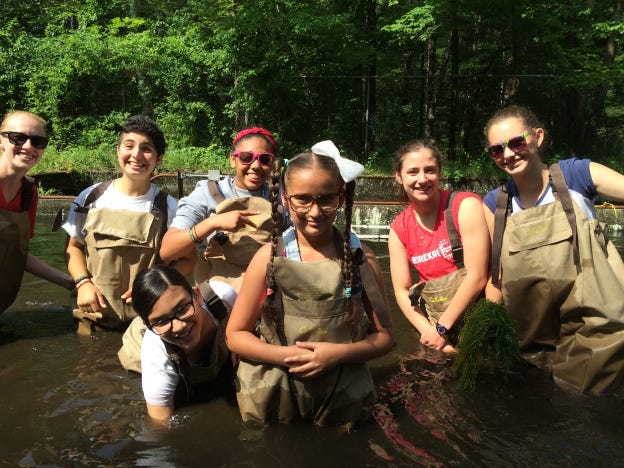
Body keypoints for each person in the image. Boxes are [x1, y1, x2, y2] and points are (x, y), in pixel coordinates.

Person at [226, 141, 394, 428]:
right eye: (302, 199)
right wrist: (286, 355)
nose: (315, 212)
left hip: (341, 394)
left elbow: (385, 337)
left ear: (341, 197)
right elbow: (235, 335)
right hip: (276, 390)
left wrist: (337, 354)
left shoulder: (360, 259)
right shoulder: (267, 259)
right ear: (284, 197)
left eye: (326, 199)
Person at [482, 105, 624, 394]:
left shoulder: (577, 175)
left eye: (516, 142)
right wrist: (490, 326)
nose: (508, 154)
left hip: (594, 329)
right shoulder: (494, 203)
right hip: (531, 340)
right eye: (497, 150)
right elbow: (494, 275)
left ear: (538, 137)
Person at [62, 115, 179, 336]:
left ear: (158, 158)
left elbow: (186, 260)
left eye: (146, 149)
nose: (136, 155)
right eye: (129, 146)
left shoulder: (169, 207)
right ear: (118, 151)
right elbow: (73, 247)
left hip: (146, 321)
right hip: (93, 316)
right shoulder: (89, 198)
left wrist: (159, 290)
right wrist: (83, 283)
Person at [388, 139, 490, 353]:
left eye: (430, 170)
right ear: (399, 176)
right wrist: (429, 333)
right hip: (435, 329)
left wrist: (443, 329)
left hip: (477, 322)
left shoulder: (465, 206)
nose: (422, 179)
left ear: (440, 172)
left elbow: (478, 276)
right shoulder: (398, 230)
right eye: (413, 172)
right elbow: (401, 290)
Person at [160, 126, 282, 292]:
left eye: (265, 159)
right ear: (232, 159)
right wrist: (213, 223)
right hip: (216, 297)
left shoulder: (280, 198)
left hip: (265, 293)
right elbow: (168, 250)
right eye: (246, 157)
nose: (255, 165)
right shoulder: (205, 194)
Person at [131, 264, 237, 425]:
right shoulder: (156, 355)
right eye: (161, 320)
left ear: (197, 295)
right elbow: (159, 425)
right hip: (137, 347)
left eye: (182, 309)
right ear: (148, 325)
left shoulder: (224, 300)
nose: (179, 326)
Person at [0, 110, 74, 313]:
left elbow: (19, 254)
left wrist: (71, 282)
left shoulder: (28, 193)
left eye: (37, 141)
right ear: (1, 141)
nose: (28, 146)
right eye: (18, 137)